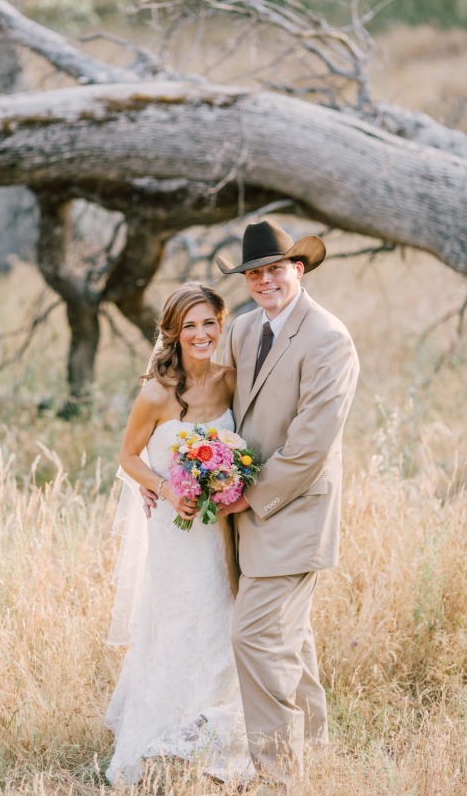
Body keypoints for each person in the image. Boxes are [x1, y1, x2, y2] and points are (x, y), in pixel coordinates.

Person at [211, 219, 360, 785]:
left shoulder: (328, 338)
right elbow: (220, 406)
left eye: (275, 268)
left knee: (254, 636)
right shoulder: (245, 329)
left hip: (293, 512)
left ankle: (278, 774)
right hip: (244, 511)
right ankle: (317, 755)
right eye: (254, 273)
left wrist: (243, 496)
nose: (264, 280)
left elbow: (310, 447)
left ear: (298, 268)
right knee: (291, 641)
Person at [104, 281, 253, 785]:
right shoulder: (156, 392)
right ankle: (164, 730)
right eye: (189, 325)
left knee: (221, 619)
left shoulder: (232, 380)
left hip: (223, 532)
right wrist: (166, 488)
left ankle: (210, 729)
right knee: (179, 621)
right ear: (173, 332)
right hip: (176, 529)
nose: (201, 333)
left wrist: (233, 479)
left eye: (209, 322)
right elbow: (127, 457)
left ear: (221, 323)